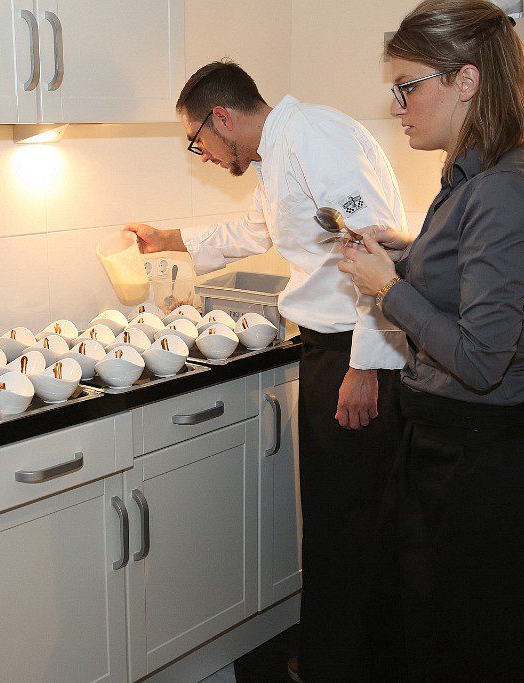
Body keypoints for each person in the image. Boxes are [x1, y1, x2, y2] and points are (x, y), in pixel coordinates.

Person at [126, 61, 409, 681]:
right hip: (330, 348)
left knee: (351, 523)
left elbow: (375, 247)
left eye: (196, 138)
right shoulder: (281, 151)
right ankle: (332, 660)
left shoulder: (312, 136)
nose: (198, 152)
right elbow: (257, 229)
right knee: (334, 520)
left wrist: (365, 365)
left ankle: (350, 666)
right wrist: (166, 238)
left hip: (353, 352)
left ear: (220, 117)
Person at [338, 1, 524, 679]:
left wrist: (389, 287)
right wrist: (409, 254)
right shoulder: (473, 176)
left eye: (408, 86)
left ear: (465, 82)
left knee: (478, 654)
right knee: (442, 643)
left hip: (482, 467)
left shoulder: (499, 188)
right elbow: (468, 278)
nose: (398, 105)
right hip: (452, 450)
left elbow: (479, 360)